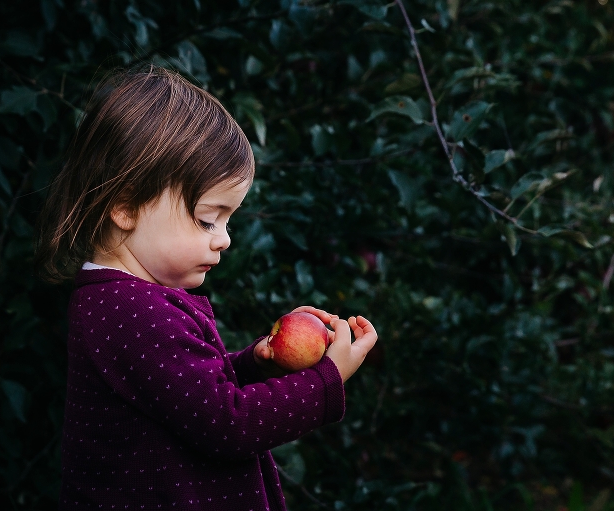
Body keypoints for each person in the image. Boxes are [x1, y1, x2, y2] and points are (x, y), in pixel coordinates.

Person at [34, 66, 378, 511]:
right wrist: (325, 381)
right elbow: (227, 425)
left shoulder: (129, 300)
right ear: (126, 207)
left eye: (228, 220)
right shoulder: (130, 309)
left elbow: (187, 396)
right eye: (206, 219)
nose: (224, 238)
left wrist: (255, 363)